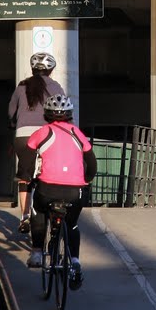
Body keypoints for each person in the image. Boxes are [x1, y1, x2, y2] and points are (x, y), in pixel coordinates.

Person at [19, 93, 96, 284]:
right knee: (72, 224)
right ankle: (76, 261)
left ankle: (37, 253)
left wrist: (26, 177)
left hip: (48, 188)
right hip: (75, 191)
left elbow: (26, 162)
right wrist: (86, 179)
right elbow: (91, 162)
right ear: (69, 115)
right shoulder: (77, 133)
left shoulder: (41, 133)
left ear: (46, 114)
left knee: (38, 211)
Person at [7, 52, 64, 234]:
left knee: (25, 177)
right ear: (51, 70)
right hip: (48, 135)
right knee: (49, 172)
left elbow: (11, 112)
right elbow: (63, 111)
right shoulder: (56, 87)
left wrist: (14, 124)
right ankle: (49, 208)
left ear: (32, 69)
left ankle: (24, 217)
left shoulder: (21, 87)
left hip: (23, 136)